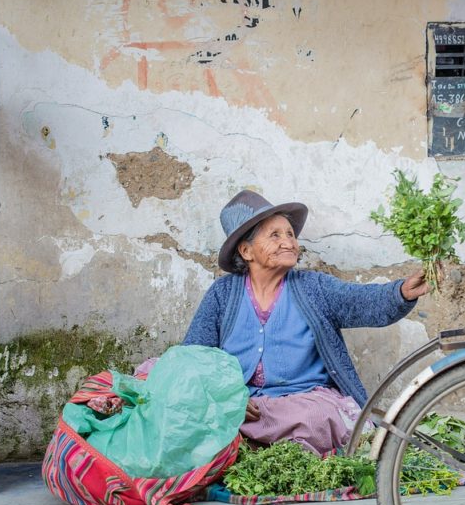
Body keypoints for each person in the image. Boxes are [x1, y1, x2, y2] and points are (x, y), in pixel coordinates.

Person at [182, 189, 429, 456]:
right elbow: (195, 356)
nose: (288, 242)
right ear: (246, 251)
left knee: (315, 418)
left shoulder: (313, 287)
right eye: (275, 235)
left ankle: (252, 449)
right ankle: (250, 446)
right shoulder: (223, 294)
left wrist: (401, 292)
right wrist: (227, 398)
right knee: (185, 404)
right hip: (242, 407)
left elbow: (361, 302)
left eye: (290, 234)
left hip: (304, 402)